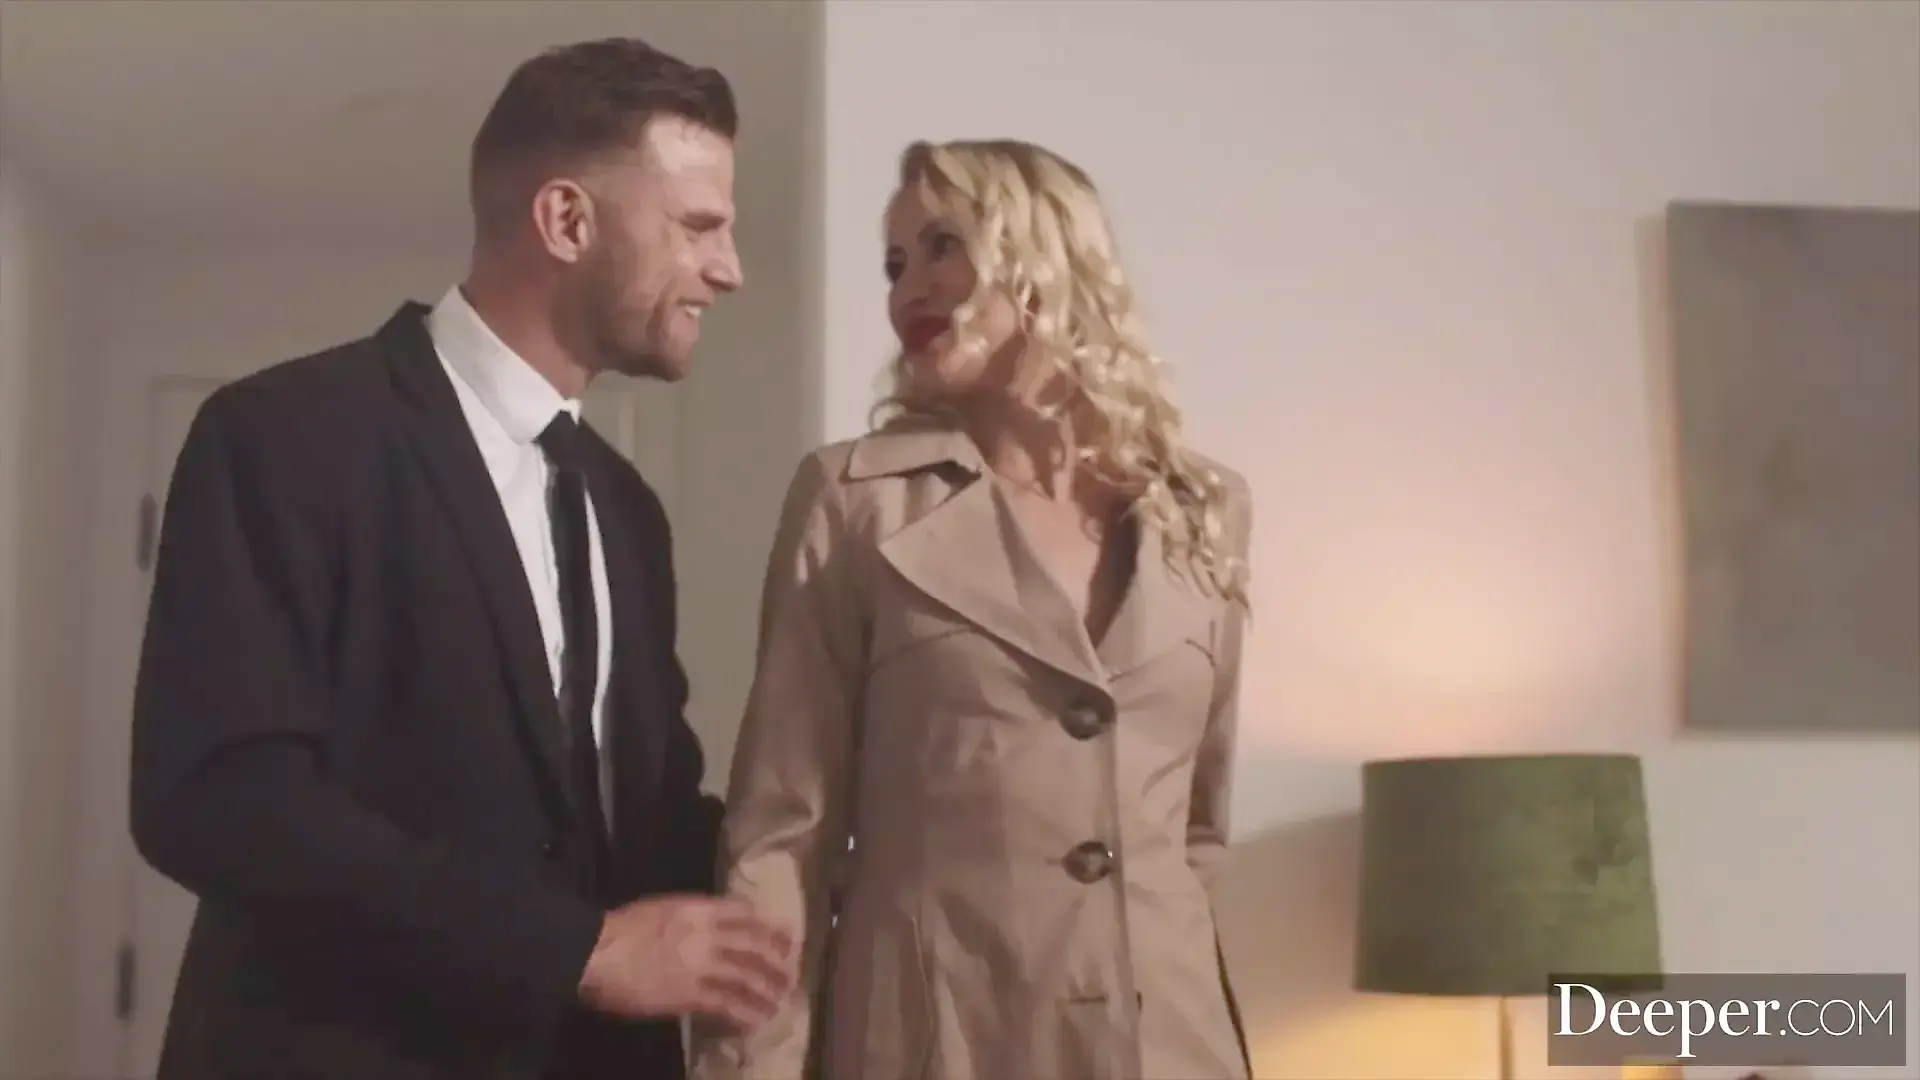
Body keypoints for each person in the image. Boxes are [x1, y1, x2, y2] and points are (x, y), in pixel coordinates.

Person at [128, 38, 794, 1080]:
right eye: (700, 226)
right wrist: (576, 951)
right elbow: (218, 798)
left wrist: (841, 851)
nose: (730, 269)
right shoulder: (283, 434)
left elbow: (646, 822)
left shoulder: (628, 512)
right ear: (566, 220)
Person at [691, 138, 1256, 1080]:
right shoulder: (855, 502)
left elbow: (1199, 831)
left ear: (1047, 257)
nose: (908, 288)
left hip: (1171, 1046)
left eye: (942, 246)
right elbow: (782, 841)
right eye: (894, 264)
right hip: (937, 1041)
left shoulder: (1204, 509)